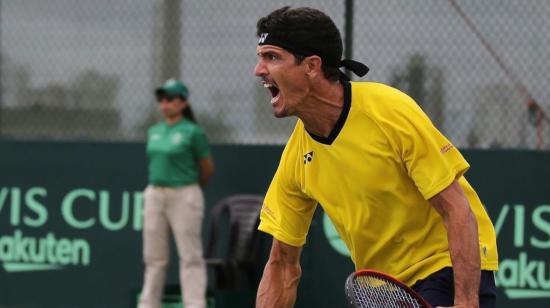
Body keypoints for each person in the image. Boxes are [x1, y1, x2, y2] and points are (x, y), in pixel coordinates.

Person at [253, 6, 498, 308]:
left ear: (312, 66)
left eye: (272, 57)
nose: (259, 70)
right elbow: (281, 264)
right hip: (383, 289)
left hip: (443, 266)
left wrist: (465, 303)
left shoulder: (389, 111)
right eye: (261, 57)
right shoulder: (297, 157)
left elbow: (456, 208)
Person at [138, 79, 214, 308]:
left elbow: (207, 168)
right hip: (154, 194)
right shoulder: (154, 131)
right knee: (154, 258)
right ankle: (148, 304)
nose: (165, 103)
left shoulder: (193, 132)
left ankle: (194, 304)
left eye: (170, 98)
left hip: (185, 194)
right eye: (161, 99)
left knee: (190, 256)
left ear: (183, 102)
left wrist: (188, 187)